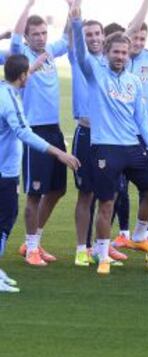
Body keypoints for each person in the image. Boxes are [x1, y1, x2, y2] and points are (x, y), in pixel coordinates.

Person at [71, 2, 148, 275]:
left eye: (124, 52)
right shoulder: (95, 73)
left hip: (132, 147)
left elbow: (141, 121)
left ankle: (137, 235)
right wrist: (76, 22)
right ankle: (102, 254)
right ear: (107, 53)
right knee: (107, 202)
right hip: (105, 148)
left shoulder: (134, 81)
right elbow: (79, 51)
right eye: (116, 51)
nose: (121, 55)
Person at [0, 55, 80, 291]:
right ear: (23, 76)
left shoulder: (5, 92)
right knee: (5, 221)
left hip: (5, 169)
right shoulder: (10, 99)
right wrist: (59, 154)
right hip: (4, 171)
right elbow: (24, 133)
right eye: (29, 73)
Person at [10, 0, 72, 266]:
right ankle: (32, 248)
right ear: (27, 36)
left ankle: (33, 241)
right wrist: (28, 5)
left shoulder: (50, 50)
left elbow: (68, 37)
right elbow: (14, 34)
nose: (40, 38)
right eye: (35, 33)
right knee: (35, 193)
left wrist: (74, 9)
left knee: (57, 189)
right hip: (33, 131)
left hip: (54, 128)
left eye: (43, 33)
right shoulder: (21, 54)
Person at [112, 21, 148, 248]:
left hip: (144, 135)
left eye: (142, 39)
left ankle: (146, 234)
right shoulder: (118, 62)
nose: (138, 42)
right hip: (119, 136)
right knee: (119, 188)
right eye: (135, 38)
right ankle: (124, 232)